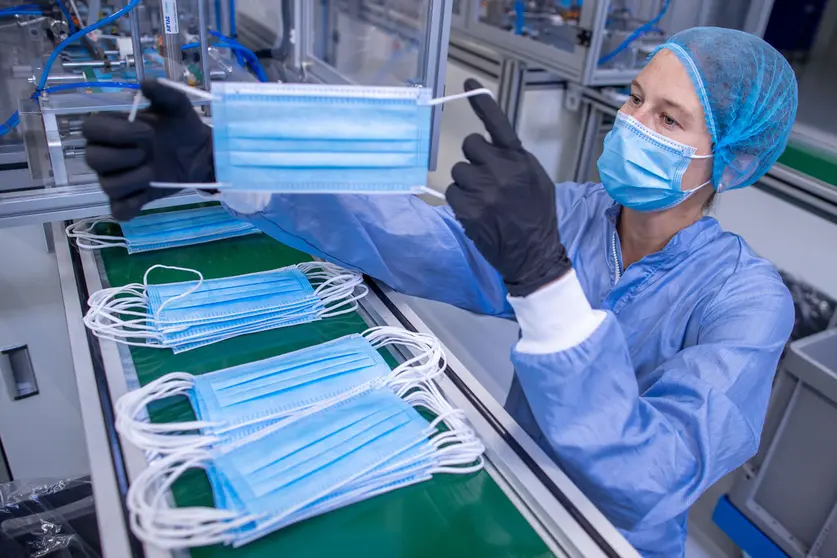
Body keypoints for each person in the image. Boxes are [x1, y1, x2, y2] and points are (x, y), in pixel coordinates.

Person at [82, 27, 798, 557]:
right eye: (635, 99)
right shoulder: (578, 213)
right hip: (517, 493)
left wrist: (542, 278)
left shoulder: (746, 303)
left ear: (730, 164)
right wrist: (235, 165)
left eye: (667, 120)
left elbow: (645, 477)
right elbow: (418, 241)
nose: (632, 124)